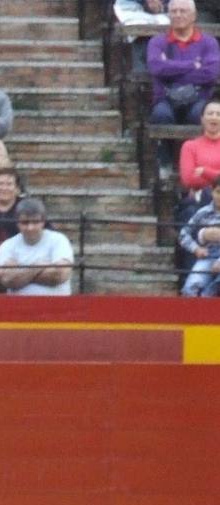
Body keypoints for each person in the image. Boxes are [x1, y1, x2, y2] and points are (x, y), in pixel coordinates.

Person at [147, 0, 220, 174]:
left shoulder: (208, 42)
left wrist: (170, 67)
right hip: (165, 98)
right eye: (174, 11)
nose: (178, 15)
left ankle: (196, 165)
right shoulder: (157, 42)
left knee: (199, 117)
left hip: (198, 98)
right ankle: (165, 164)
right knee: (160, 115)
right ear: (168, 14)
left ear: (194, 15)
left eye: (183, 11)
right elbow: (156, 68)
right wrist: (192, 65)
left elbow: (210, 73)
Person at [0, 198, 75, 296]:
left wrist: (20, 272)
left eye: (35, 222)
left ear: (43, 222)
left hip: (56, 306)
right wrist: (39, 266)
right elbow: (7, 280)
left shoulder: (59, 240)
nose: (30, 228)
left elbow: (60, 275)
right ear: (17, 223)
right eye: (25, 223)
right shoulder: (7, 245)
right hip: (18, 307)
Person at [178, 181, 220, 294]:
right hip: (208, 255)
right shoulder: (202, 212)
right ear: (212, 192)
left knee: (213, 288)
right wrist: (196, 249)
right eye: (218, 192)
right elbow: (183, 234)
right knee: (190, 288)